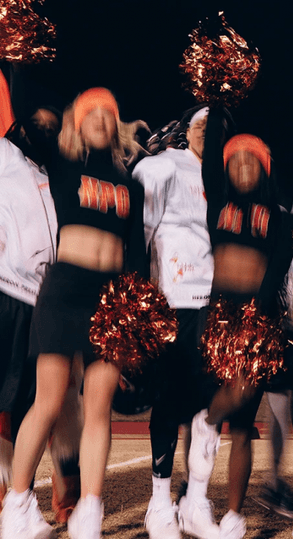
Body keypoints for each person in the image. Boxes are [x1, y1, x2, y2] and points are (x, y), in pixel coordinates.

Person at [0, 87, 148, 539]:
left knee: (98, 409)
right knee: (48, 402)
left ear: (118, 123)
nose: (100, 118)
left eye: (108, 111)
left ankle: (90, 510)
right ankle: (17, 506)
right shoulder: (63, 162)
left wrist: (136, 311)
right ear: (76, 123)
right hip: (64, 290)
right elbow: (32, 124)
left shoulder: (131, 183)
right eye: (91, 112)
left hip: (110, 298)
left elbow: (137, 253)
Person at [178, 107, 293, 539]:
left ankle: (233, 515)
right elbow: (210, 161)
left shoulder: (281, 216)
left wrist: (258, 320)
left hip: (258, 319)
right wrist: (217, 101)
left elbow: (277, 270)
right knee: (220, 402)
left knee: (243, 422)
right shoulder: (219, 204)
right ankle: (195, 500)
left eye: (251, 159)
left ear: (265, 168)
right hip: (218, 315)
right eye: (235, 160)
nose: (243, 165)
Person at [132, 105, 216, 539]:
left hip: (212, 305)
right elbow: (140, 233)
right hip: (173, 300)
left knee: (208, 406)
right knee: (167, 401)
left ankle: (196, 501)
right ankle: (159, 503)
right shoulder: (163, 166)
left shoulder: (224, 174)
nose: (208, 132)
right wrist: (141, 299)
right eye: (201, 125)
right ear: (186, 129)